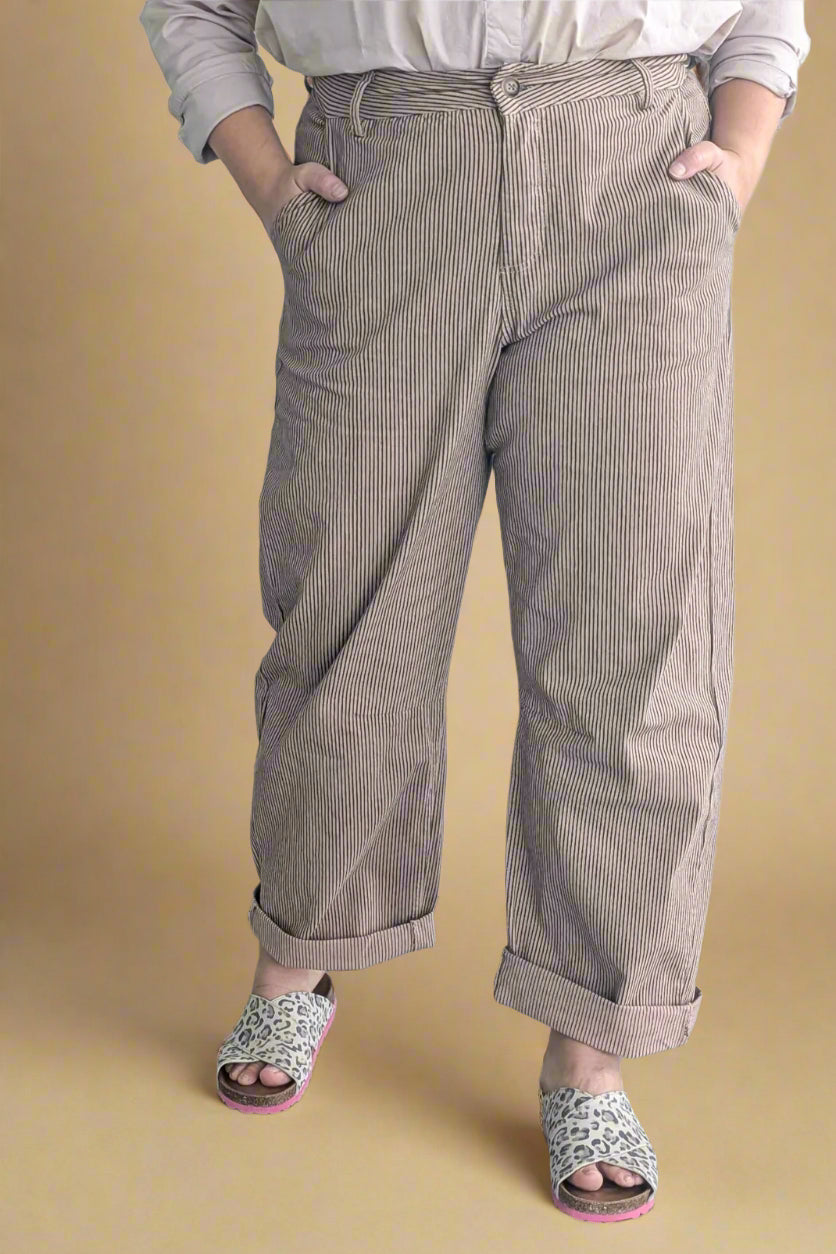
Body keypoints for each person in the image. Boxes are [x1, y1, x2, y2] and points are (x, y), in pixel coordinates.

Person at [138, 0, 810, 1224]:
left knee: (632, 637)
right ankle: (300, 952)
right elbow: (191, 8)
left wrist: (744, 155)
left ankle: (590, 1047)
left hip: (633, 174)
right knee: (348, 608)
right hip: (389, 172)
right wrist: (272, 187)